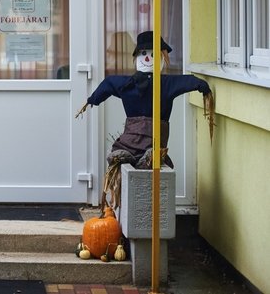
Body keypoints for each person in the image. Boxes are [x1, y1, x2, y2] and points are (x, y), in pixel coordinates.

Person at [76, 30, 215, 207]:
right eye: (143, 54)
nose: (148, 58)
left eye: (152, 54)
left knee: (153, 152)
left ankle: (146, 157)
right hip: (132, 134)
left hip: (156, 135)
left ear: (162, 57)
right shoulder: (130, 83)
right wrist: (91, 100)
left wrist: (202, 87)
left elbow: (189, 81)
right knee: (123, 150)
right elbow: (109, 83)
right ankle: (132, 157)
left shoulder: (166, 84)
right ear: (136, 57)